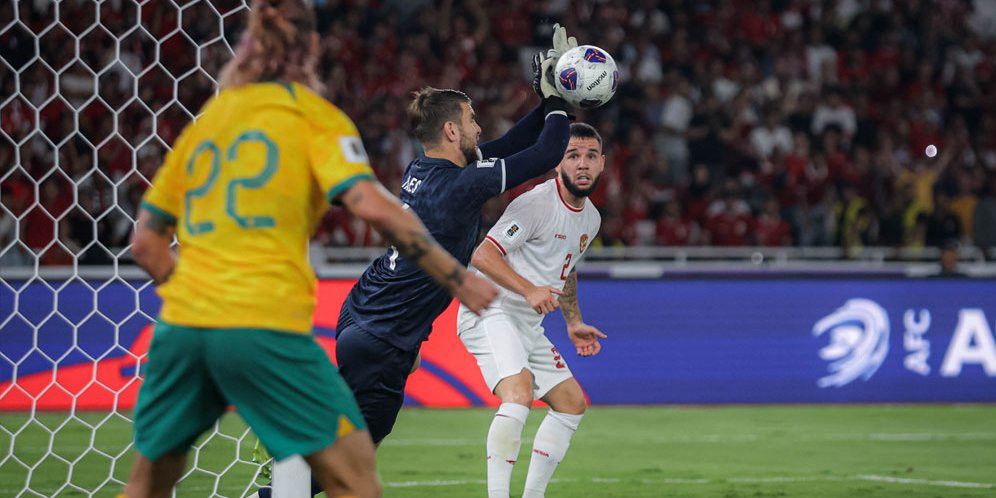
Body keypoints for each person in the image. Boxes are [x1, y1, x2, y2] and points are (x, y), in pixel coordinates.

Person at [121, 1, 497, 497]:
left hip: (182, 327)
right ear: (312, 50)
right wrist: (460, 279)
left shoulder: (211, 120)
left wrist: (197, 296)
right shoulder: (314, 117)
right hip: (262, 324)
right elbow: (376, 208)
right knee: (356, 476)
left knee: (150, 481)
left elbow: (146, 243)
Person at [458, 122, 607, 498]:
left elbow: (566, 268)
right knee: (519, 393)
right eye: (573, 155)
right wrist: (528, 290)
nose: (582, 164)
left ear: (602, 163)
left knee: (572, 403)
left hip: (526, 322)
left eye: (591, 156)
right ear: (558, 162)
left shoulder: (591, 218)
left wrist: (573, 322)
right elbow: (483, 255)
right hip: (488, 309)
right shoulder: (535, 203)